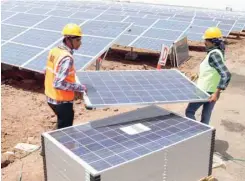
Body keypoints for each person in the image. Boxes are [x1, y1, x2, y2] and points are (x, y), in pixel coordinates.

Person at [44, 23, 87, 129]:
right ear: (68, 40)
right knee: (65, 130)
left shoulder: (55, 50)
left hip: (50, 97)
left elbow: (46, 71)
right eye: (77, 40)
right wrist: (80, 88)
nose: (80, 43)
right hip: (62, 100)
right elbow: (58, 83)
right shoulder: (66, 58)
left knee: (62, 122)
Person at [185, 27, 231, 125]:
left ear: (213, 42)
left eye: (206, 39)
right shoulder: (218, 52)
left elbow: (226, 74)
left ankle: (195, 132)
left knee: (189, 112)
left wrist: (217, 92)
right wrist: (198, 75)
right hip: (212, 91)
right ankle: (203, 136)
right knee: (206, 117)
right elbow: (212, 70)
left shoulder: (214, 55)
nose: (204, 42)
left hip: (204, 91)